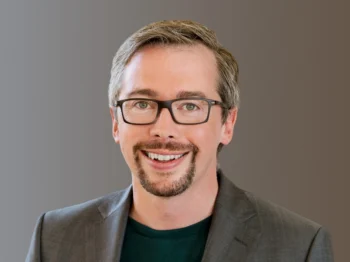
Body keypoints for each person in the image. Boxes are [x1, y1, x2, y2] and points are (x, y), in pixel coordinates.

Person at [26, 20, 334, 262]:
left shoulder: (298, 246)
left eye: (190, 106)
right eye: (142, 104)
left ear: (228, 123)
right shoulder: (54, 238)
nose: (163, 129)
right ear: (115, 122)